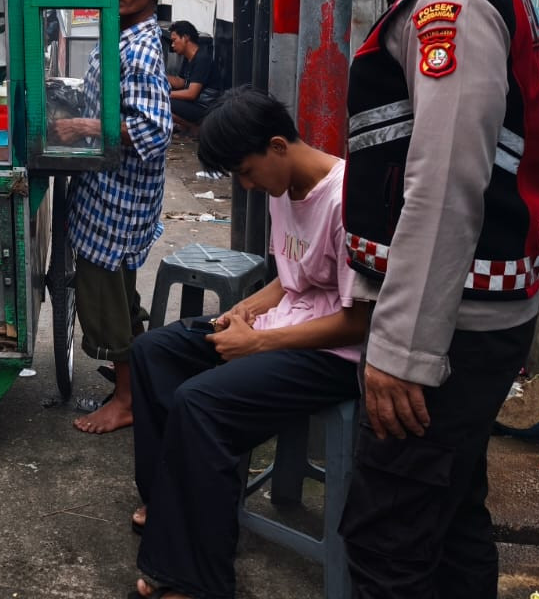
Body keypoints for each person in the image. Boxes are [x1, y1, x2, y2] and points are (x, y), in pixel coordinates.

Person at [312, 0, 539, 599]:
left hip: (449, 329)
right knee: (450, 521)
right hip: (469, 315)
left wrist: (404, 351)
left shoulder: (447, 2)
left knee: (387, 538)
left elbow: (446, 182)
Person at [129, 87, 368, 599]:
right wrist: (247, 310)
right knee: (154, 352)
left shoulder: (347, 199)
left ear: (278, 146)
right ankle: (170, 506)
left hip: (330, 354)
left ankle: (196, 581)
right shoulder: (285, 189)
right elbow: (292, 276)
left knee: (200, 403)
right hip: (283, 329)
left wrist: (260, 345)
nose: (248, 185)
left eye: (246, 171)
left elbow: (359, 322)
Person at [49, 0, 173, 435]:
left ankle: (126, 400)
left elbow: (155, 127)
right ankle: (134, 376)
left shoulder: (142, 48)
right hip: (106, 189)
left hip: (120, 196)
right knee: (118, 288)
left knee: (103, 291)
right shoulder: (119, 30)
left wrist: (84, 127)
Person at [165, 21, 219, 126]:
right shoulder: (188, 57)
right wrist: (159, 75)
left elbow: (191, 94)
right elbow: (181, 82)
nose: (172, 45)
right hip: (194, 103)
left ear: (185, 38)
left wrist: (165, 94)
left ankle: (192, 128)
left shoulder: (202, 59)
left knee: (162, 102)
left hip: (204, 107)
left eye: (174, 40)